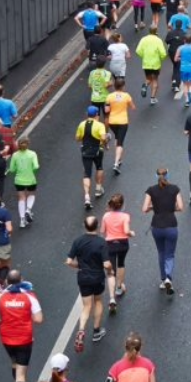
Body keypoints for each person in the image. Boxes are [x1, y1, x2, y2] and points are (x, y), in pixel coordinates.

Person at [66, 216, 113, 352]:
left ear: (84, 225)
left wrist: (79, 266)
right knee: (98, 301)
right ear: (97, 226)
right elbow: (106, 264)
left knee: (86, 306)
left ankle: (81, 330)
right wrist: (110, 271)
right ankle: (96, 331)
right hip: (97, 277)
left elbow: (69, 261)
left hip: (83, 277)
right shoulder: (101, 242)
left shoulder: (78, 241)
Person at [142, 167, 183, 295]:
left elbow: (144, 209)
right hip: (171, 225)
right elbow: (181, 207)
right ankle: (168, 277)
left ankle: (163, 279)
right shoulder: (175, 189)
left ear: (156, 176)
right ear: (167, 175)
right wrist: (170, 207)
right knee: (170, 254)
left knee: (161, 252)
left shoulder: (151, 190)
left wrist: (154, 207)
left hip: (157, 226)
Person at [100, 194, 134, 311]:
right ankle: (119, 288)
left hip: (110, 245)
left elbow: (102, 231)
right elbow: (126, 231)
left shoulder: (106, 216)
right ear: (122, 205)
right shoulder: (125, 216)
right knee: (121, 264)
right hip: (123, 244)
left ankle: (111, 298)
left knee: (111, 272)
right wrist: (131, 233)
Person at [75, 105, 107, 209]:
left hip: (85, 151)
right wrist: (106, 144)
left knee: (87, 173)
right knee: (99, 167)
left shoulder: (82, 124)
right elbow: (103, 138)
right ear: (97, 114)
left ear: (87, 114)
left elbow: (77, 138)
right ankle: (98, 189)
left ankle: (87, 197)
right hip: (97, 150)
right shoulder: (100, 125)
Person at [7, 136, 39, 229]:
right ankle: (28, 210)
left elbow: (12, 169)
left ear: (18, 145)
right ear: (28, 144)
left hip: (19, 180)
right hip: (30, 179)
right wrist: (32, 171)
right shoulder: (32, 154)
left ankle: (22, 220)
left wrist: (17, 169)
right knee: (31, 195)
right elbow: (36, 166)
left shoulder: (15, 155)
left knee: (21, 198)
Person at [105, 78, 135, 175]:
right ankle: (116, 163)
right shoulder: (126, 96)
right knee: (120, 143)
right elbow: (133, 107)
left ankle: (119, 158)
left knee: (117, 138)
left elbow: (106, 110)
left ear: (114, 86)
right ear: (123, 86)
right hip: (123, 122)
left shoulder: (109, 96)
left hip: (112, 122)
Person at [136, 26, 167, 105]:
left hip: (146, 63)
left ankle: (145, 85)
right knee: (155, 80)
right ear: (156, 31)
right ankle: (152, 98)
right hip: (156, 64)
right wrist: (161, 59)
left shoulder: (143, 39)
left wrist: (144, 56)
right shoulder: (158, 40)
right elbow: (163, 53)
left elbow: (138, 51)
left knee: (148, 78)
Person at [176, 34, 191, 108]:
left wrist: (181, 58)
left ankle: (186, 101)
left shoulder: (180, 48)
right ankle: (190, 91)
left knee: (185, 84)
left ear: (184, 40)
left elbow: (175, 59)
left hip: (183, 68)